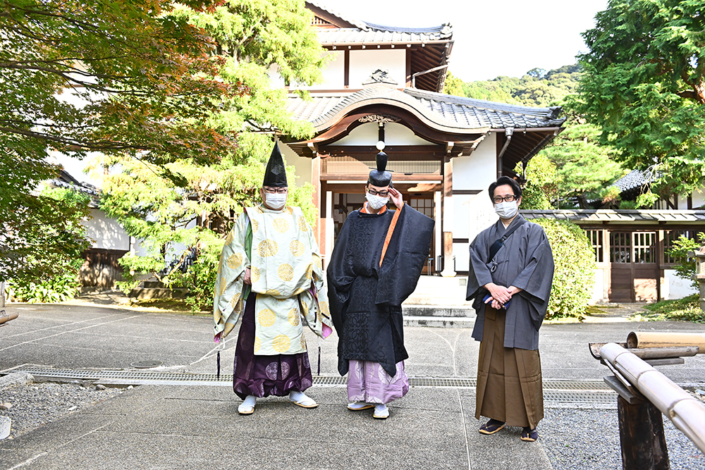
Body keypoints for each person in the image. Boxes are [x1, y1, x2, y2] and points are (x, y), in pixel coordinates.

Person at [213, 142, 332, 415]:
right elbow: (232, 249)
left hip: (289, 293)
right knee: (253, 345)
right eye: (272, 190)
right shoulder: (249, 217)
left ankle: (296, 390)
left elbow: (311, 250)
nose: (277, 195)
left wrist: (309, 273)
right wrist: (241, 270)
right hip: (259, 293)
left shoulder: (298, 216)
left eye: (281, 190)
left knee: (291, 345)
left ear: (287, 191)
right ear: (263, 191)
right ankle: (250, 394)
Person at [327, 151, 434, 419]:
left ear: (390, 192)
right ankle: (360, 395)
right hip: (356, 290)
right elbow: (341, 255)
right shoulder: (353, 218)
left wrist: (401, 207)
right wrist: (342, 285)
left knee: (380, 343)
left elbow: (414, 240)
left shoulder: (395, 218)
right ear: (366, 189)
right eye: (374, 191)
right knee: (356, 342)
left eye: (384, 192)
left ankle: (381, 398)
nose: (378, 196)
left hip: (383, 290)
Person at [466, 176, 554, 442]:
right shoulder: (484, 237)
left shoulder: (534, 232)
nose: (503, 203)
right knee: (492, 362)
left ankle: (529, 421)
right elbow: (477, 264)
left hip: (521, 306)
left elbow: (538, 266)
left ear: (518, 199)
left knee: (523, 364)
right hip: (492, 305)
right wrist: (493, 289)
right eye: (498, 199)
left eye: (508, 198)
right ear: (493, 203)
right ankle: (497, 415)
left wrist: (509, 291)